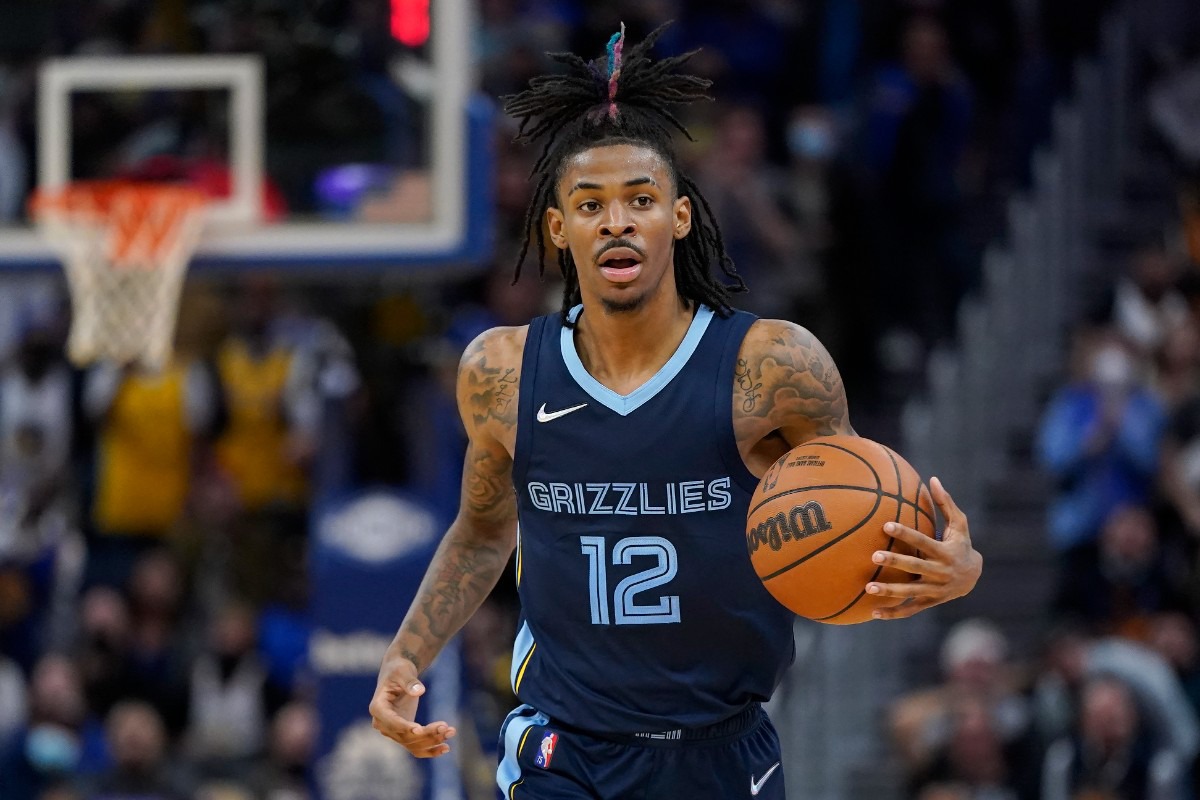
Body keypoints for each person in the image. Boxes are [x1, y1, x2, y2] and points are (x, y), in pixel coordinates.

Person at [370, 24, 982, 799]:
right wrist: (405, 655)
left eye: (641, 200)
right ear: (558, 229)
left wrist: (955, 572)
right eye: (590, 204)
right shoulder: (501, 371)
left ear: (680, 217)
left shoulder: (773, 366)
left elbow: (865, 524)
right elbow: (485, 530)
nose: (617, 221)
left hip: (722, 750)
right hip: (567, 750)